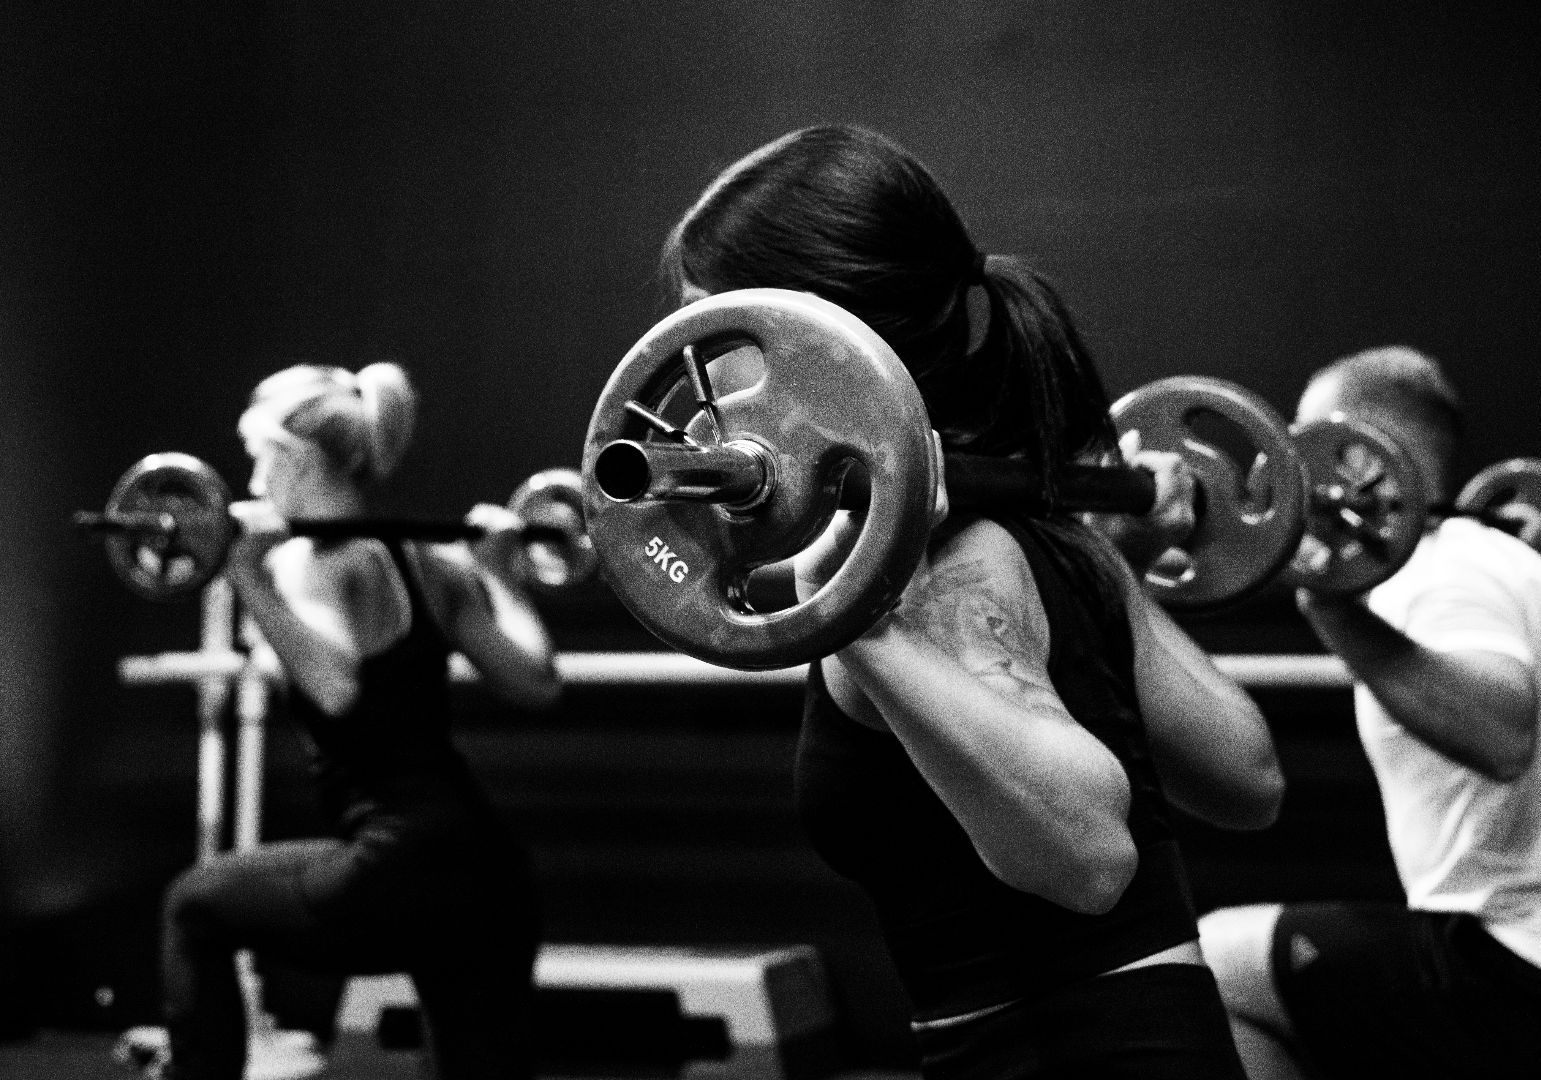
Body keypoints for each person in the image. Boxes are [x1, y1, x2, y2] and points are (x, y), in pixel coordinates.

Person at [661, 124, 1285, 1078]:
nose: (697, 387)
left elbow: (1090, 858)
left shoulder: (940, 573)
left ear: (822, 332)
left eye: (720, 332)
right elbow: (1245, 782)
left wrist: (855, 618)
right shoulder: (1061, 537)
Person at [1197, 346, 1541, 1080]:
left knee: (1211, 968)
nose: (1290, 464)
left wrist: (1328, 603)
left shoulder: (1437, 571)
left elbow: (1503, 735)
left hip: (1540, 970)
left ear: (1356, 454)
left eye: (1305, 435)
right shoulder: (1515, 566)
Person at [144, 362, 560, 1080]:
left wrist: (246, 575)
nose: (250, 481)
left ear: (296, 460)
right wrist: (498, 572)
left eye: (258, 456)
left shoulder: (312, 563)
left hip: (396, 865)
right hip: (489, 875)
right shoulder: (436, 559)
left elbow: (335, 686)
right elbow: (538, 682)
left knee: (193, 905)